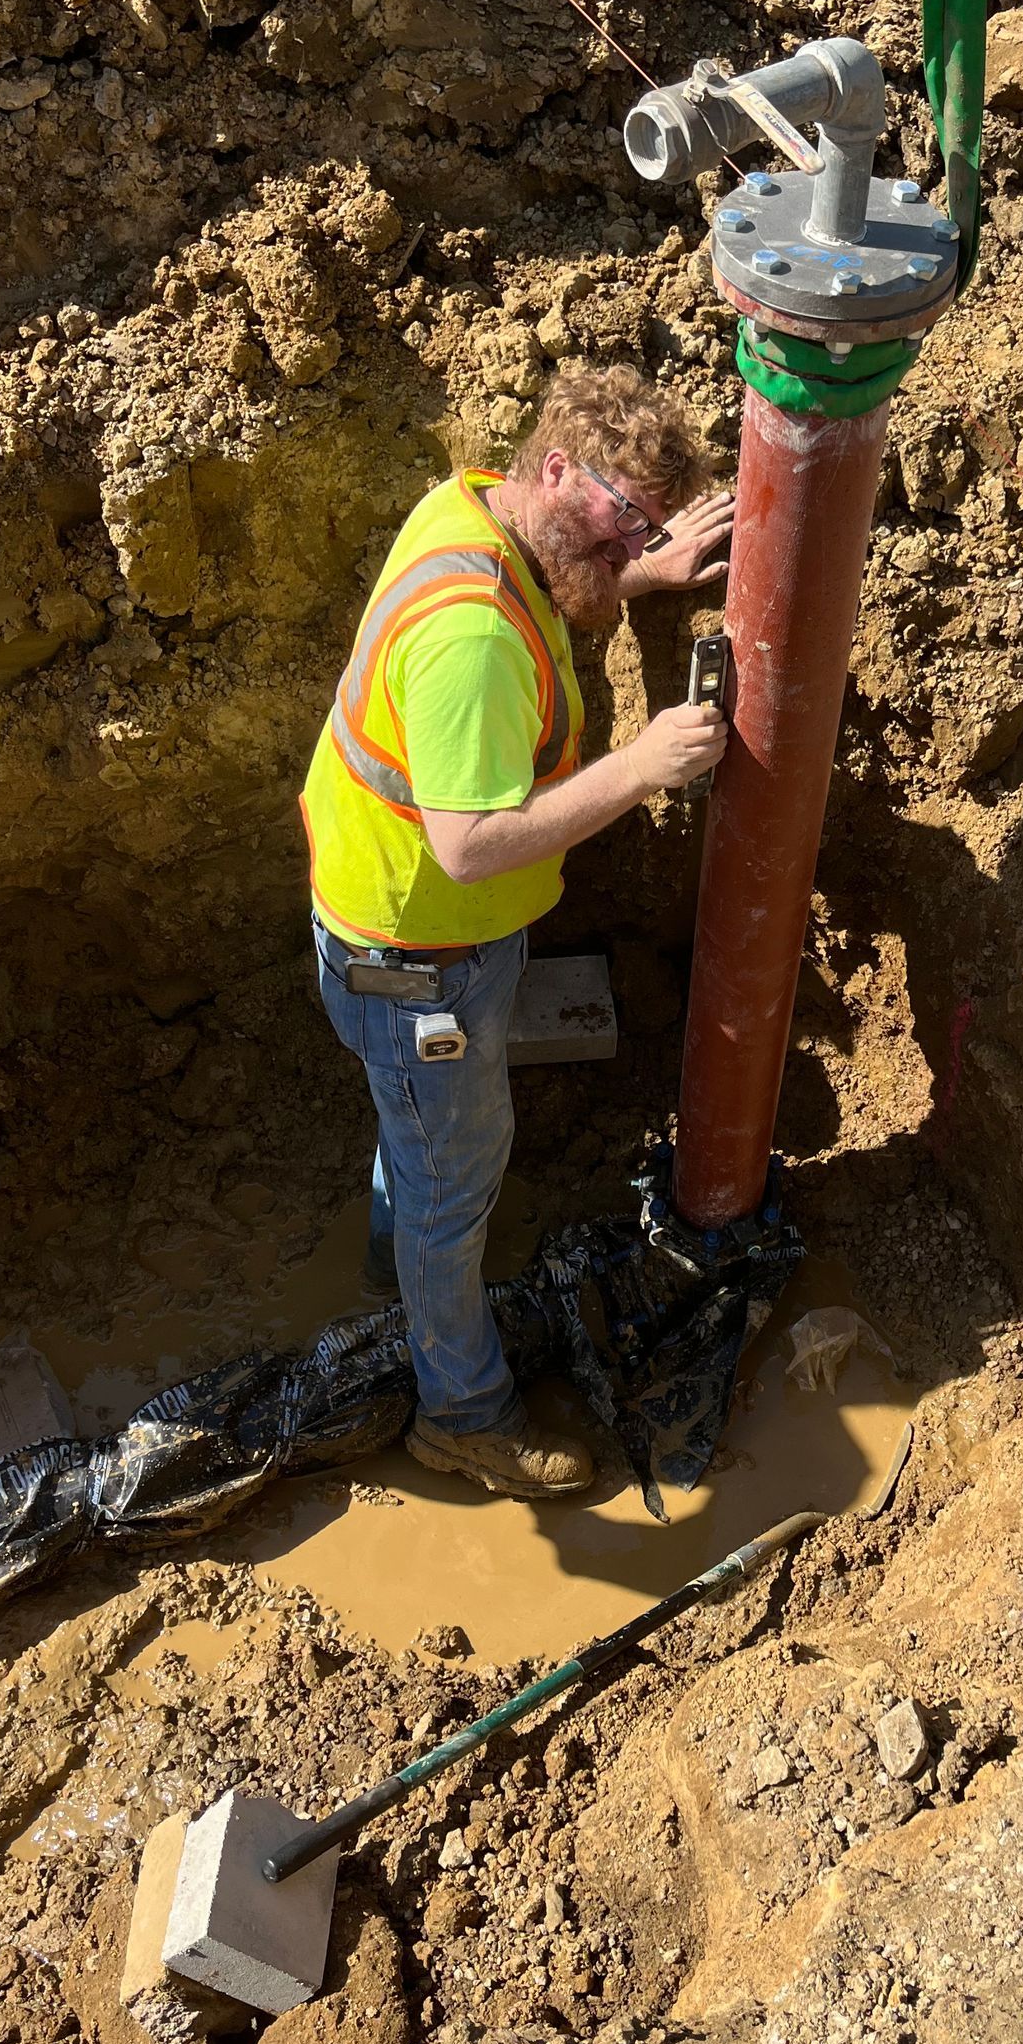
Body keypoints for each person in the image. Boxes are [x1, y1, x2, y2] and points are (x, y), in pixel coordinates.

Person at [301, 365, 732, 1499]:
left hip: (384, 927)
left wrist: (633, 568)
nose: (631, 538)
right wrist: (640, 768)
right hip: (420, 959)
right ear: (555, 470)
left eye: (644, 520)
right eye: (621, 515)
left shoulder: (475, 511)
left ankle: (387, 1262)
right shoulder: (473, 643)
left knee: (422, 1149)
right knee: (455, 1191)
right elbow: (472, 846)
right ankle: (464, 1413)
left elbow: (555, 583)